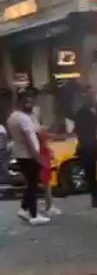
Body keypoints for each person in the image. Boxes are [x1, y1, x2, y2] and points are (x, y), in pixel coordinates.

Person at [7, 90, 49, 225]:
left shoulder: (12, 117)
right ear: (22, 102)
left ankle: (24, 208)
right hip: (28, 154)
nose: (30, 104)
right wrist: (36, 156)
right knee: (33, 185)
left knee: (31, 183)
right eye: (28, 102)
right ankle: (33, 214)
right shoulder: (23, 118)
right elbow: (28, 138)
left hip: (20, 153)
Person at [38, 127, 61, 216]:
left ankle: (48, 206)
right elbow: (52, 139)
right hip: (45, 164)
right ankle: (50, 207)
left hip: (43, 163)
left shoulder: (40, 143)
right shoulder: (44, 142)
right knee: (47, 187)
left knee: (46, 186)